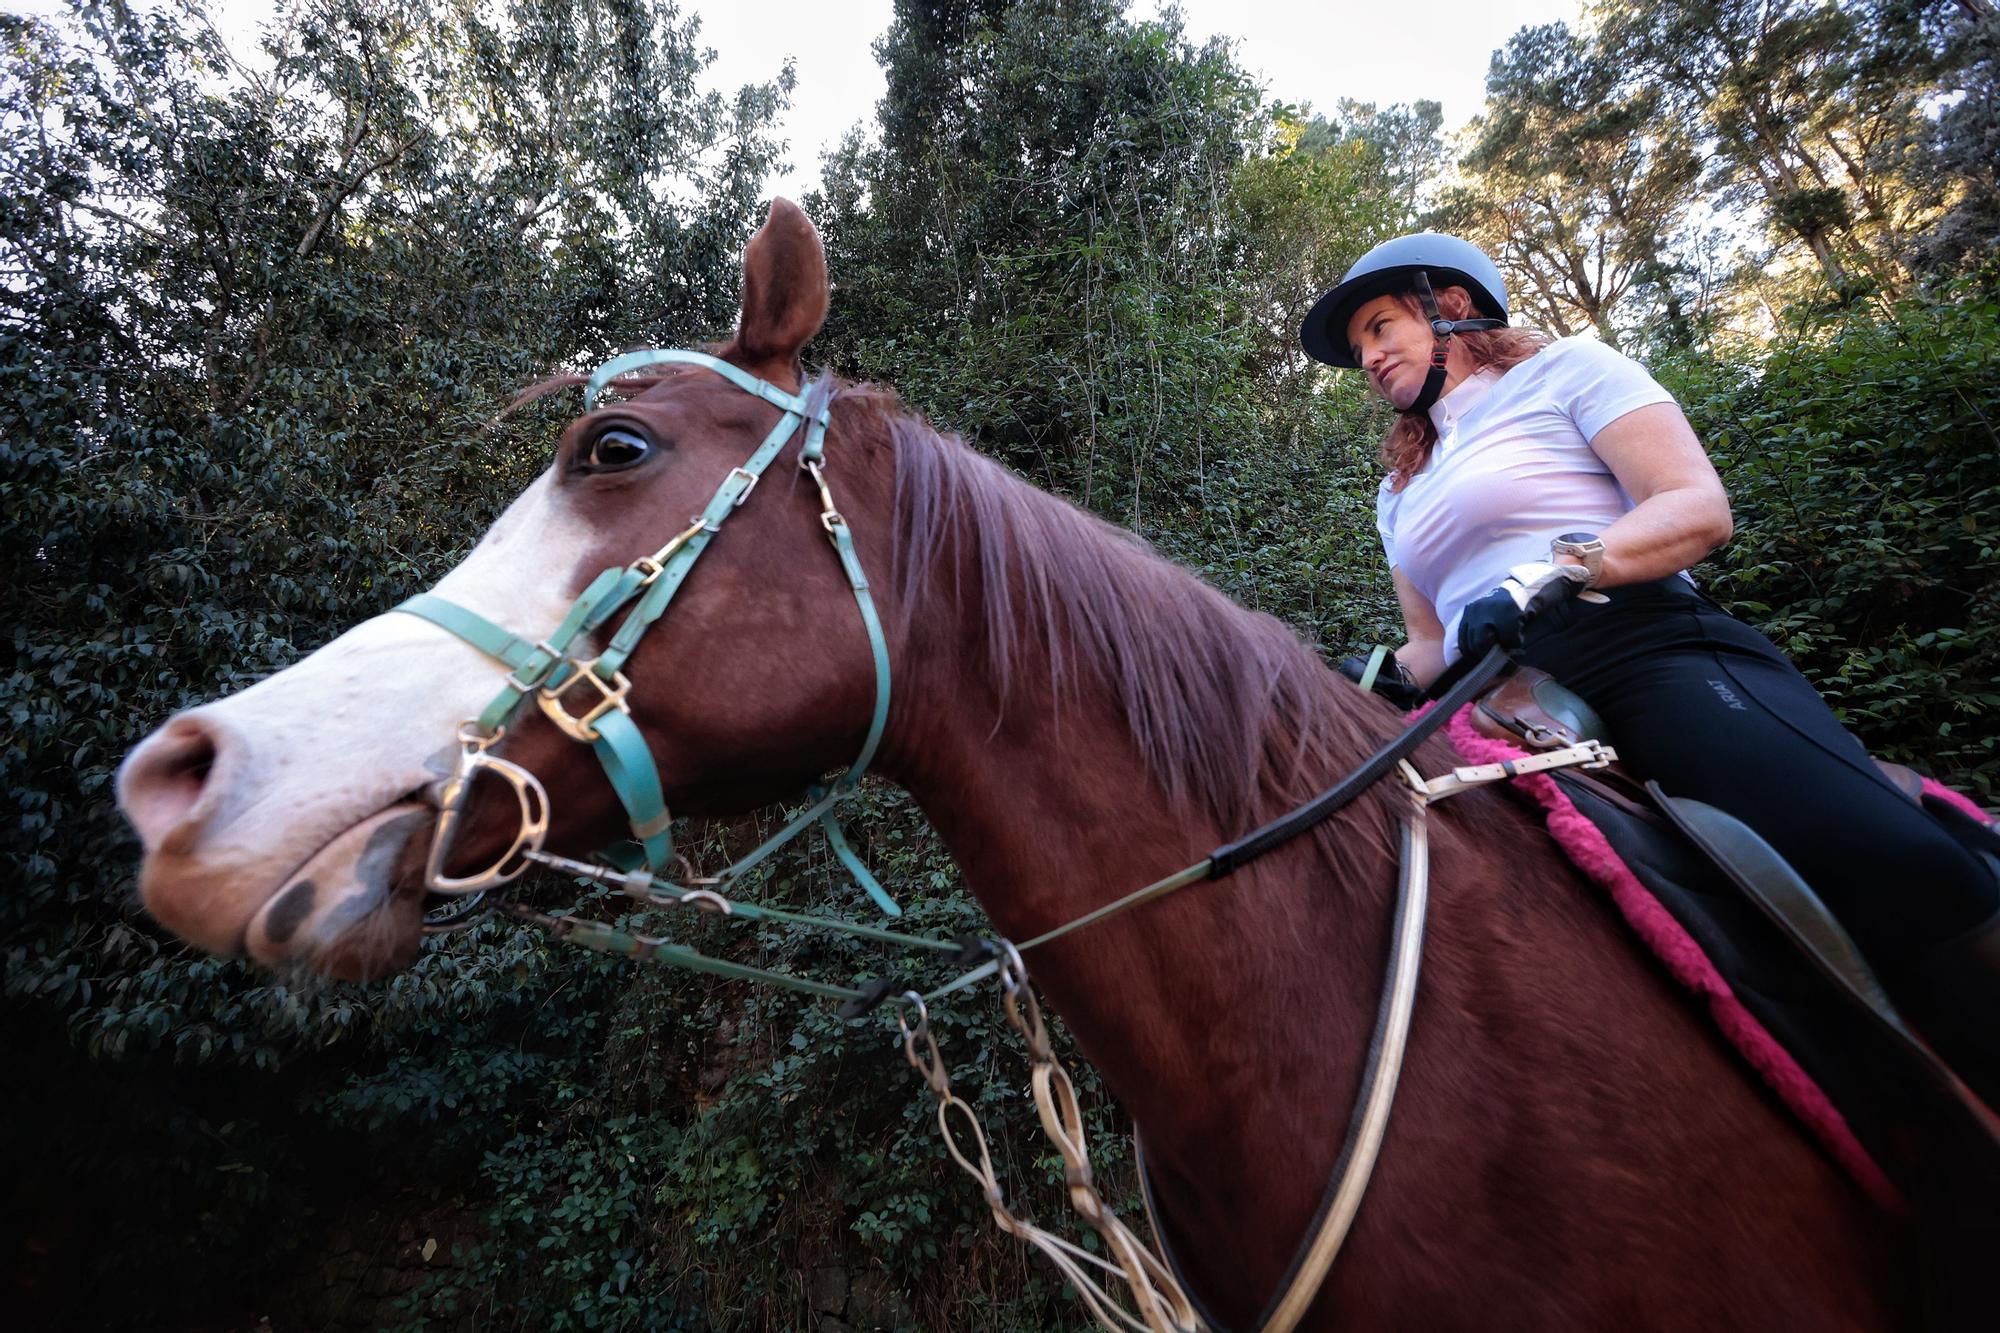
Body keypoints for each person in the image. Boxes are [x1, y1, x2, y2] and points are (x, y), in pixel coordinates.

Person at [1301, 232, 2000, 1100]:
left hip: (1641, 644)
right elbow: (1431, 637)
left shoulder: (1568, 373)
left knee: (1878, 851)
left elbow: (1697, 506)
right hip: (1499, 702)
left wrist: (1548, 571)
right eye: (1360, 347)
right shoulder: (1398, 490)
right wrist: (1352, 680)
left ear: (1449, 306)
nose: (1367, 358)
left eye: (1378, 327)